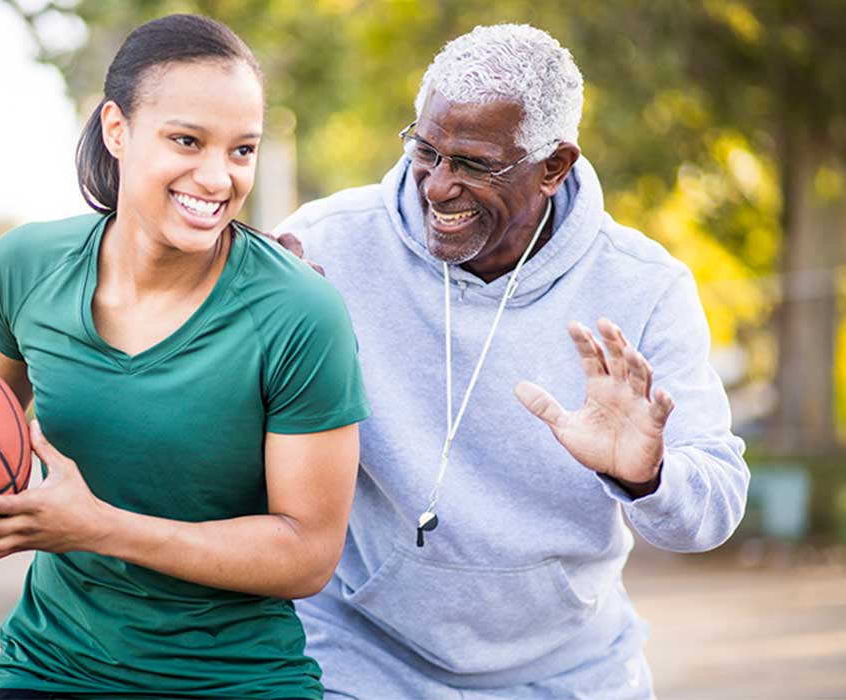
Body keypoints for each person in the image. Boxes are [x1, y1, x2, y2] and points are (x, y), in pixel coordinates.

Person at [0, 14, 368, 700]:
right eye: (186, 141)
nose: (217, 176)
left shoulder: (300, 315)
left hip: (235, 681)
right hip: (51, 668)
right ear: (117, 129)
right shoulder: (25, 267)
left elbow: (306, 554)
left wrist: (102, 528)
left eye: (242, 150)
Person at [273, 24, 749, 699]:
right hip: (361, 658)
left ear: (553, 167)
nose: (438, 187)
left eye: (473, 165)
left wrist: (648, 477)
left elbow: (714, 510)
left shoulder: (645, 285)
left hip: (569, 671)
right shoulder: (326, 247)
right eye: (426, 150)